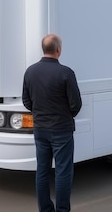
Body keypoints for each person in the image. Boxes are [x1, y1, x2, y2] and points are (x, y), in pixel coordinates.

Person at [22, 33, 82, 212]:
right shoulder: (66, 73)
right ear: (58, 50)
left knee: (42, 171)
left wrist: (40, 113)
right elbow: (76, 104)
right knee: (63, 172)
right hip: (61, 130)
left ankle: (45, 209)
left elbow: (27, 101)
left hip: (40, 129)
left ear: (43, 49)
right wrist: (64, 115)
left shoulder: (30, 71)